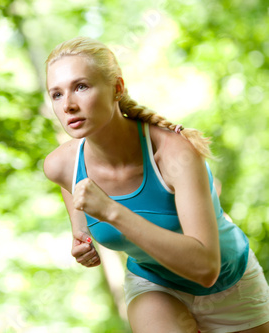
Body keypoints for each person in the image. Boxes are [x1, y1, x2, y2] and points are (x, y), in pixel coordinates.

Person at [43, 36, 269, 333]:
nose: (68, 105)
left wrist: (112, 212)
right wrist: (80, 232)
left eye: (81, 87)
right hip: (154, 283)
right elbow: (73, 187)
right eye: (56, 94)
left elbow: (206, 269)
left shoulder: (174, 154)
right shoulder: (61, 165)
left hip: (231, 284)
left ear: (117, 88)